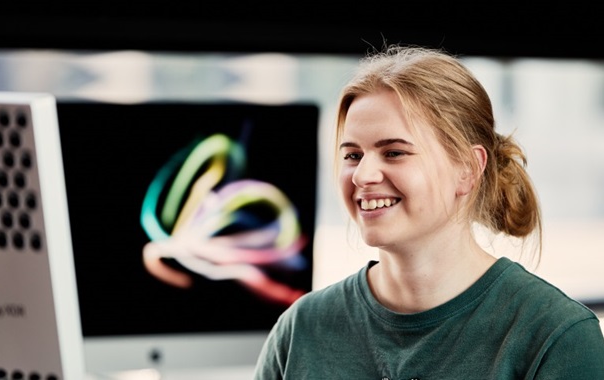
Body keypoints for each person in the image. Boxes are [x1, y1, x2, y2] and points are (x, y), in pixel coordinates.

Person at [252, 44, 604, 379]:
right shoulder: (301, 328)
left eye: (394, 152)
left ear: (467, 168)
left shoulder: (557, 338)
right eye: (352, 155)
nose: (362, 175)